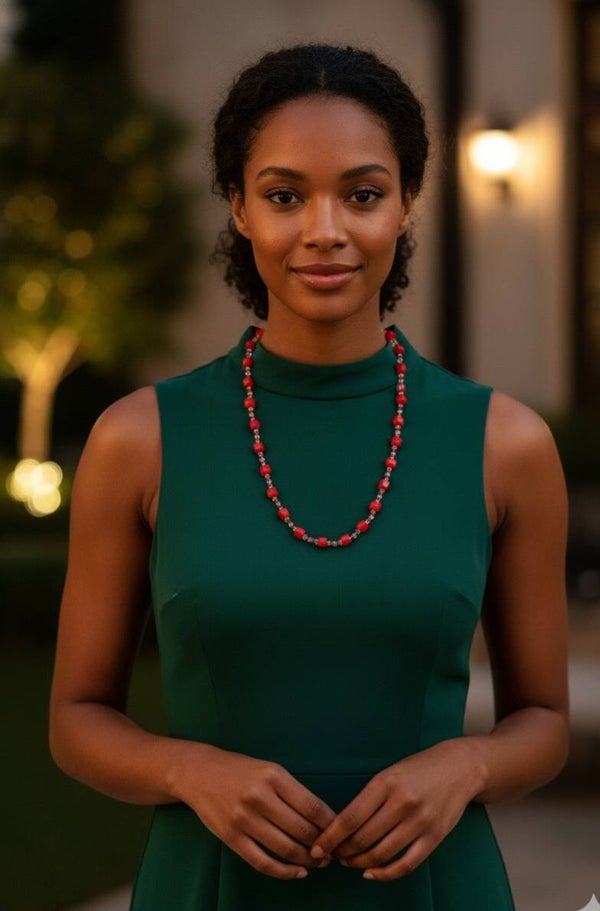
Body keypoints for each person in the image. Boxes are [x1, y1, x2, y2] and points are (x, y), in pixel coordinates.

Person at [49, 43, 570, 910]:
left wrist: (467, 761)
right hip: (209, 883)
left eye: (362, 194)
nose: (323, 229)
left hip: (434, 885)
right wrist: (189, 766)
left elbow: (545, 722)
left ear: (406, 206)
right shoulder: (138, 439)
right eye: (285, 195)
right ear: (239, 207)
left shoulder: (505, 443)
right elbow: (75, 717)